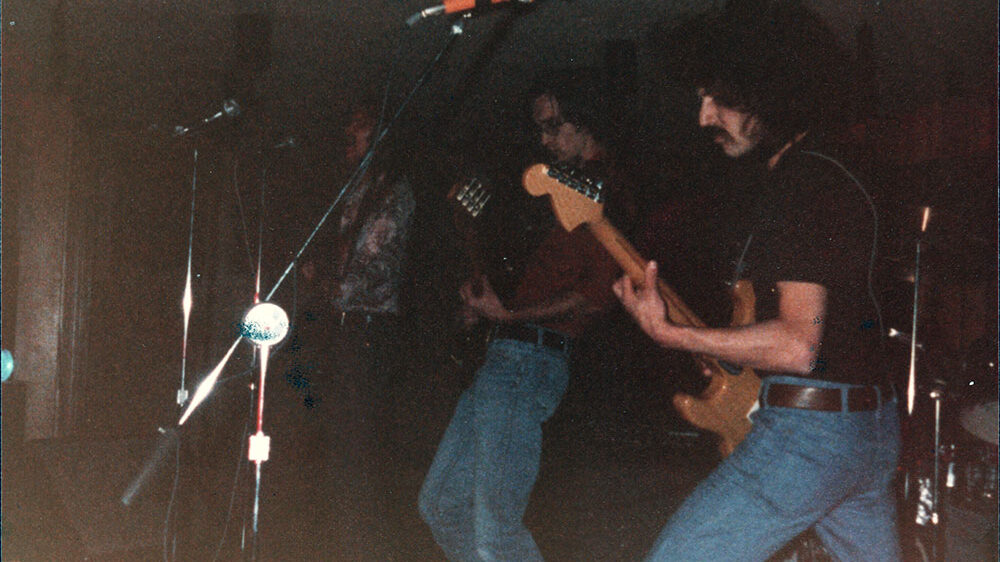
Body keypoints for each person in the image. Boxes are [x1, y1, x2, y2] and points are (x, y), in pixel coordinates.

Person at [614, 3, 901, 561]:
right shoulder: (833, 169)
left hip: (813, 434)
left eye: (718, 99)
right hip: (869, 427)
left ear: (770, 92)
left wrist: (675, 335)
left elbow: (796, 345)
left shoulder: (803, 181)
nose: (702, 117)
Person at [417, 75, 628, 560]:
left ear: (587, 123)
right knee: (442, 505)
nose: (545, 140)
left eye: (554, 126)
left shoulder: (609, 191)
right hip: (507, 358)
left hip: (529, 362)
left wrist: (511, 313)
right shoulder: (563, 187)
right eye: (540, 129)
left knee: (496, 528)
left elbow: (595, 297)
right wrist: (488, 308)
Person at [271, 102, 415, 559]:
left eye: (359, 128)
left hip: (369, 331)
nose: (348, 135)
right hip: (343, 328)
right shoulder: (355, 192)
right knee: (335, 449)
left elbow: (366, 267)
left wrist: (324, 280)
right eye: (348, 126)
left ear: (379, 139)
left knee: (356, 455)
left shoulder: (394, 191)